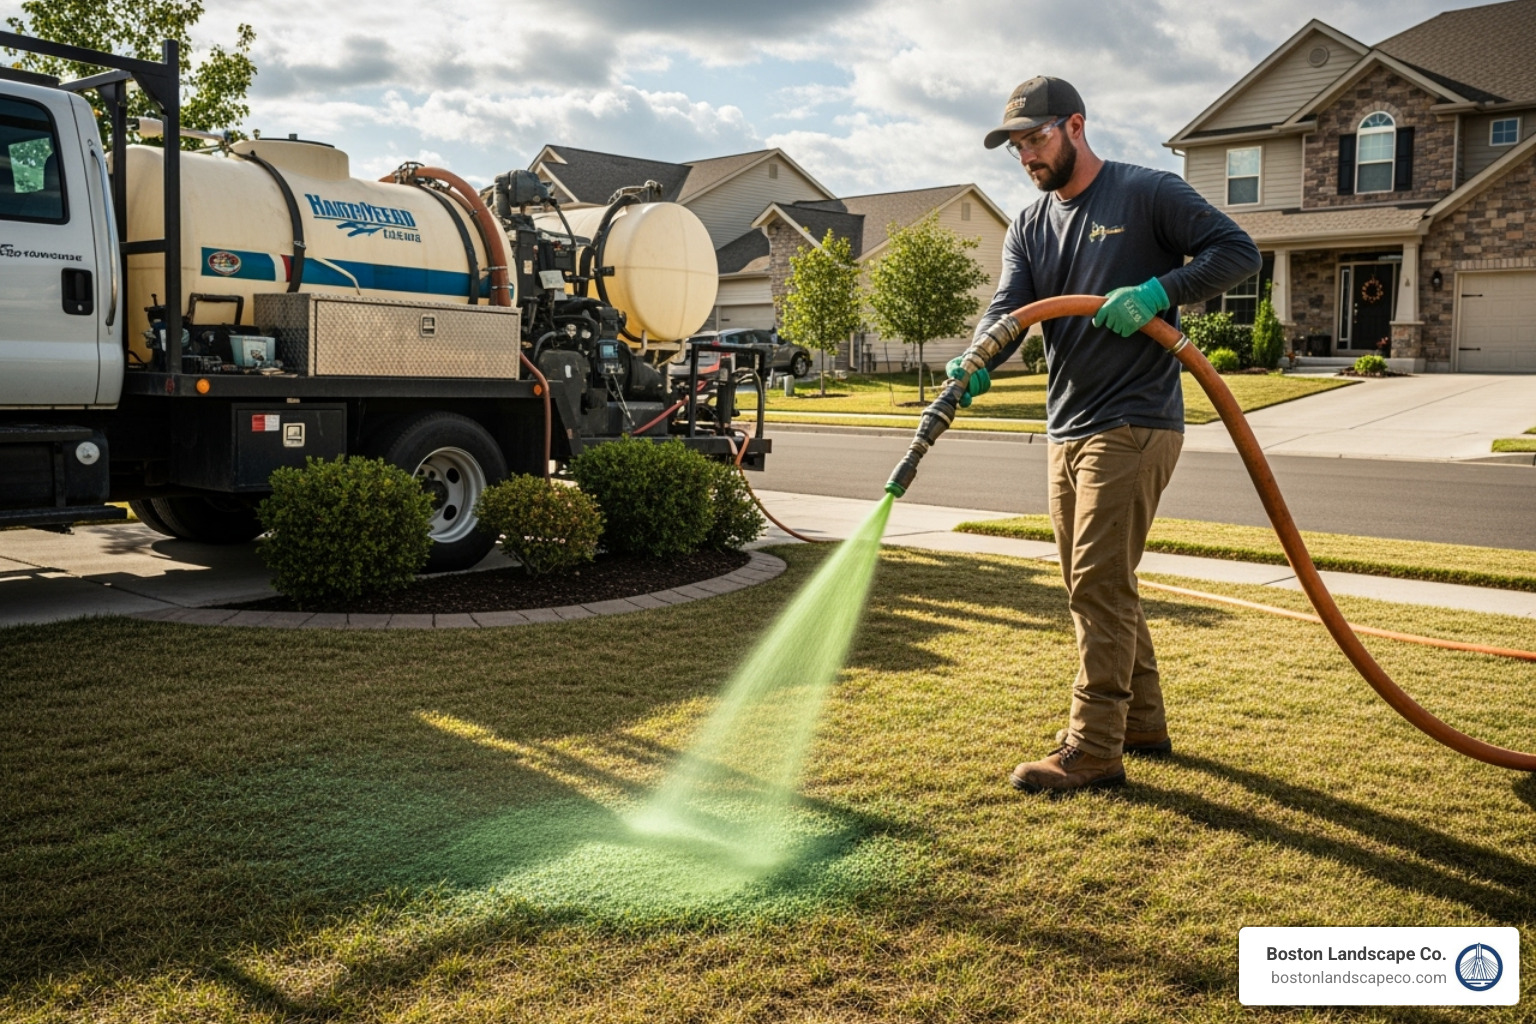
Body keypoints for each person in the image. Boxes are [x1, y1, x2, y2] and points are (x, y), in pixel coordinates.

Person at [951, 76, 1261, 795]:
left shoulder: (1145, 193)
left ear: (1076, 126)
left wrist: (1159, 293)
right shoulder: (1030, 225)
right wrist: (976, 359)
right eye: (1017, 145)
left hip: (1135, 419)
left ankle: (1093, 749)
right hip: (1067, 423)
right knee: (1096, 583)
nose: (1027, 154)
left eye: (1037, 138)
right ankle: (1143, 723)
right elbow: (1010, 307)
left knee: (1094, 582)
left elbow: (1235, 251)